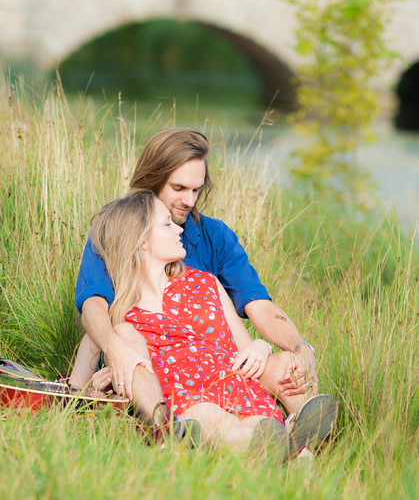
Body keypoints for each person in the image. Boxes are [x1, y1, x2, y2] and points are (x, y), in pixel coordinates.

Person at [70, 128, 331, 427]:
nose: (190, 200)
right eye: (179, 188)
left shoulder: (214, 236)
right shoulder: (118, 231)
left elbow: (257, 303)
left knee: (290, 366)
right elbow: (93, 306)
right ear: (153, 180)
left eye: (196, 190)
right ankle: (175, 427)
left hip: (215, 363)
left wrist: (299, 347)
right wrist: (113, 351)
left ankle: (304, 435)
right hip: (148, 363)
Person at [73, 190, 337, 457]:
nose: (179, 229)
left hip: (236, 385)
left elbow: (243, 347)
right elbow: (74, 391)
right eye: (167, 224)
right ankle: (293, 448)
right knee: (217, 420)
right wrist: (94, 393)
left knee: (261, 422)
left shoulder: (206, 283)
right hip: (186, 400)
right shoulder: (118, 316)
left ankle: (282, 444)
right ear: (142, 240)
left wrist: (261, 346)